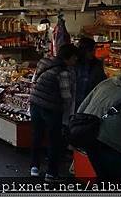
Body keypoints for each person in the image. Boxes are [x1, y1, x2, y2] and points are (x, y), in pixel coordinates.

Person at [29, 43, 78, 180]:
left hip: (35, 103)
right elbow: (66, 97)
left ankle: (34, 167)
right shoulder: (64, 72)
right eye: (74, 59)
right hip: (51, 108)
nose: (75, 62)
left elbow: (34, 80)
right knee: (53, 139)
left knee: (37, 136)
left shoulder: (43, 61)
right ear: (69, 58)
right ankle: (51, 172)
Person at [77, 71, 121, 183]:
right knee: (120, 180)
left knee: (102, 175)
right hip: (113, 141)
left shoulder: (106, 82)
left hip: (89, 134)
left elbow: (82, 106)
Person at [75, 37, 107, 111]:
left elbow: (101, 81)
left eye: (93, 50)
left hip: (91, 100)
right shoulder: (74, 63)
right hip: (76, 101)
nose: (93, 52)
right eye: (90, 50)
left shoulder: (97, 64)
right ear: (83, 50)